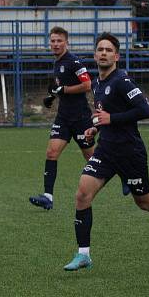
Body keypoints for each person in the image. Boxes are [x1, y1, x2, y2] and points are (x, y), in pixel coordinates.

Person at [63, 32, 149, 271]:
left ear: (117, 56)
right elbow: (105, 116)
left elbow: (145, 110)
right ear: (94, 55)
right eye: (100, 49)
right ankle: (84, 254)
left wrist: (111, 119)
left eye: (108, 50)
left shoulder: (122, 80)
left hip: (130, 152)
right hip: (106, 151)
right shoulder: (99, 83)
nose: (103, 53)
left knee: (144, 201)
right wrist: (95, 128)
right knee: (82, 195)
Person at [29, 26, 95, 210]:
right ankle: (48, 197)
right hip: (63, 117)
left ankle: (125, 176)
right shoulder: (57, 63)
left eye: (59, 41)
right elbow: (60, 86)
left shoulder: (74, 61)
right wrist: (51, 97)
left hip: (81, 118)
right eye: (53, 41)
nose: (55, 44)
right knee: (51, 153)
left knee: (92, 158)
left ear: (66, 42)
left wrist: (64, 90)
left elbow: (87, 84)